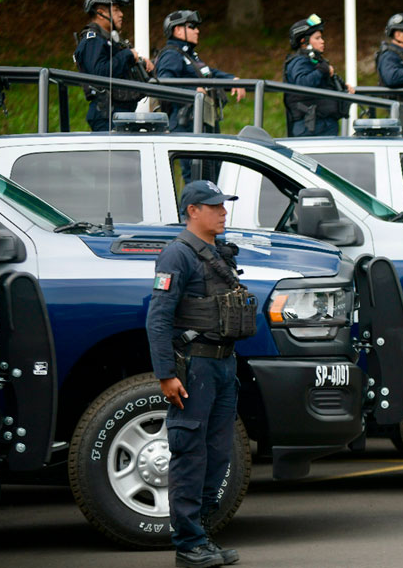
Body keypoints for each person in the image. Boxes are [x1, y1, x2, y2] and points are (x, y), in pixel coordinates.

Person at [146, 180, 258, 567]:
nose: (223, 212)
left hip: (223, 363)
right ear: (193, 211)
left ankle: (202, 536)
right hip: (195, 365)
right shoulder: (177, 255)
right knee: (190, 454)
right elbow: (158, 319)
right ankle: (188, 544)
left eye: (223, 205)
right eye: (215, 206)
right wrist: (166, 374)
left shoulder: (218, 254)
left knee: (218, 454)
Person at [73, 0, 154, 132]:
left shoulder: (108, 41)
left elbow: (116, 66)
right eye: (116, 10)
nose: (121, 14)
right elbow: (99, 73)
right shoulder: (93, 40)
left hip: (119, 114)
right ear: (100, 13)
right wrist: (127, 55)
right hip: (107, 116)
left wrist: (140, 62)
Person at [155, 10, 246, 133]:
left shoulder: (188, 54)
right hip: (185, 126)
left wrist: (231, 80)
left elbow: (208, 73)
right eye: (192, 27)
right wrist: (193, 91)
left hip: (202, 121)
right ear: (178, 30)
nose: (197, 31)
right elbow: (164, 84)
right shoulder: (171, 54)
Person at [283, 14, 354, 137]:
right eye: (317, 38)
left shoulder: (316, 62)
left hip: (325, 123)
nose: (322, 41)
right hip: (310, 126)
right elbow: (302, 84)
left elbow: (322, 84)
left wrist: (343, 87)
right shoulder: (299, 61)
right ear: (303, 41)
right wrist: (323, 70)